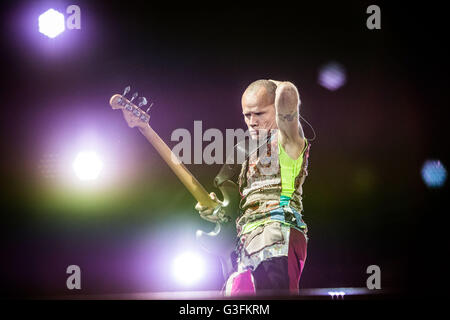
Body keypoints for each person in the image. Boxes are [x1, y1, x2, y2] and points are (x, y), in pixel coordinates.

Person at [195, 79, 311, 296]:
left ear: (277, 110)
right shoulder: (247, 154)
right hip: (246, 243)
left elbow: (288, 96)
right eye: (247, 115)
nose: (252, 121)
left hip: (277, 234)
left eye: (260, 114)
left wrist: (277, 85)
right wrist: (217, 211)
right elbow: (244, 205)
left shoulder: (288, 141)